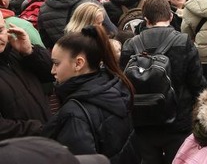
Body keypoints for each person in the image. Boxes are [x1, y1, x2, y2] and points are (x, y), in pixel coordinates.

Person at [120, 0, 206, 163]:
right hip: (177, 117)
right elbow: (196, 82)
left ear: (146, 19)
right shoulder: (183, 42)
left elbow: (124, 83)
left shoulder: (130, 45)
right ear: (171, 16)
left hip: (143, 118)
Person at [43, 26, 137, 161]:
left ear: (78, 63)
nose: (53, 70)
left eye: (56, 64)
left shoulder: (74, 113)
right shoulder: (115, 86)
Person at [0, 11, 53, 140]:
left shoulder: (15, 52)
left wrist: (30, 52)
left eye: (0, 30)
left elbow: (52, 73)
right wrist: (42, 129)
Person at [38, 0, 109, 49]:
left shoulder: (44, 6)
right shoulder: (90, 3)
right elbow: (109, 29)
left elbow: (43, 36)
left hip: (59, 52)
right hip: (86, 51)